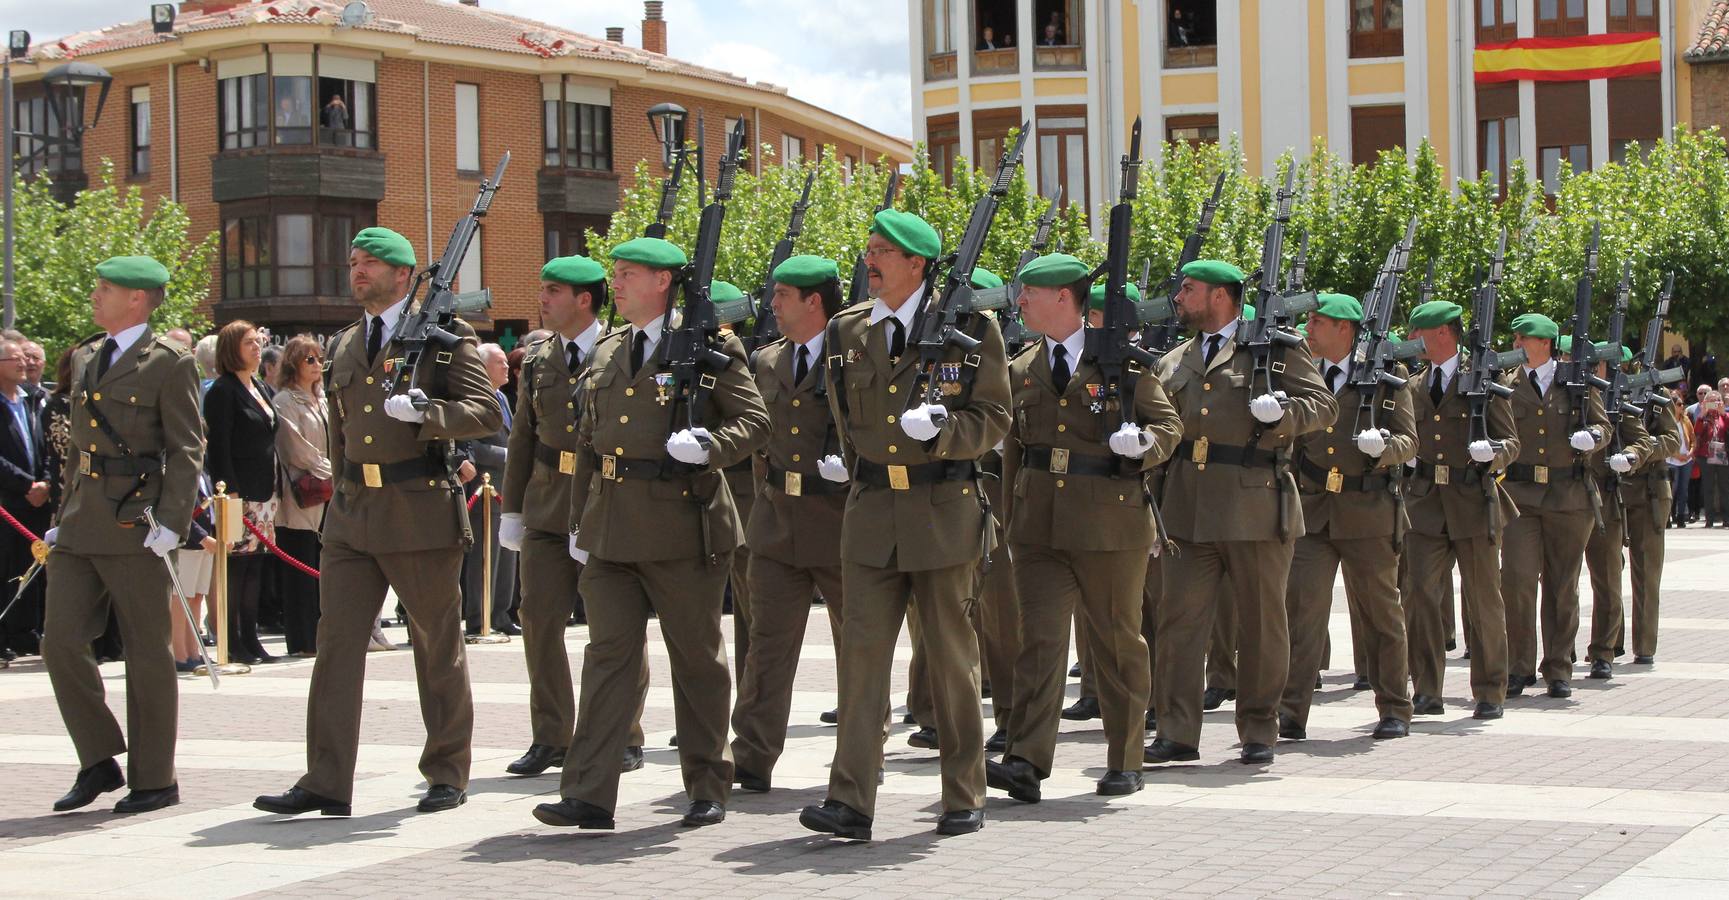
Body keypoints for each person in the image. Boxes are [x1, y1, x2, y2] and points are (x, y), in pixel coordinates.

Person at [253, 226, 502, 818]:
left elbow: (487, 411)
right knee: (335, 645)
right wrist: (339, 497)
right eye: (354, 261)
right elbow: (340, 438)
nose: (358, 270)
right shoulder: (343, 343)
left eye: (372, 262)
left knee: (435, 646)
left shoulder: (443, 339)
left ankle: (446, 770)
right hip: (352, 515)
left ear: (402, 273)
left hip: (417, 507)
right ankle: (326, 780)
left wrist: (428, 412)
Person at [530, 236, 768, 832]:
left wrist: (711, 447)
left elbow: (754, 421)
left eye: (628, 274)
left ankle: (708, 784)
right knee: (607, 657)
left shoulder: (710, 345)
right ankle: (588, 792)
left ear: (663, 282)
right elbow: (587, 440)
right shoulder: (609, 350)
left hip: (682, 523)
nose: (617, 283)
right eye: (616, 274)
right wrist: (580, 518)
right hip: (611, 526)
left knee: (696, 661)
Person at [797, 209, 1010, 841]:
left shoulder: (972, 327)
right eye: (868, 250)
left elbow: (994, 417)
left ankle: (964, 792)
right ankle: (850, 800)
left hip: (943, 511)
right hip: (869, 515)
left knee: (950, 661)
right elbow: (840, 413)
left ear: (916, 264)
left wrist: (947, 433)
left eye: (882, 252)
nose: (870, 261)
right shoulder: (847, 331)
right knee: (860, 664)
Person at [984, 253, 1180, 805]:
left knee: (1116, 641)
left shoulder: (1125, 366)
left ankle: (1125, 758)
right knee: (1039, 643)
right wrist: (1011, 525)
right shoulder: (1022, 369)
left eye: (1030, 293)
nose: (1020, 302)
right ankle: (1025, 758)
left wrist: (1144, 446)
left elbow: (1168, 426)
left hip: (1111, 523)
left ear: (1063, 298)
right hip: (1039, 526)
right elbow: (1014, 458)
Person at [1145, 261, 1335, 767]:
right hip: (1186, 506)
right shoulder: (1174, 359)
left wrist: (1284, 414)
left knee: (1261, 622)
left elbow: (1323, 406)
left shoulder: (1273, 349)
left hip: (1254, 501)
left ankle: (1258, 728)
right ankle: (1177, 731)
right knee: (1179, 623)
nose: (1179, 296)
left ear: (1222, 297)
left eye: (1190, 289)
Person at [41, 255, 204, 814]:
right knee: (59, 641)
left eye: (105, 289)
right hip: (84, 518)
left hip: (138, 521)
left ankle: (155, 778)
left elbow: (187, 450)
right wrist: (65, 511)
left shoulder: (169, 362)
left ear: (137, 298)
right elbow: (78, 450)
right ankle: (98, 758)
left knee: (147, 652)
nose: (96, 296)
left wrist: (174, 523)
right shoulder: (87, 354)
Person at [729, 255, 878, 792]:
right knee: (767, 643)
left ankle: (863, 750)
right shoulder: (766, 361)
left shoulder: (854, 359)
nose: (773, 305)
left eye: (783, 295)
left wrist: (853, 464)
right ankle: (751, 753)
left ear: (814, 301)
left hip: (838, 519)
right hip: (776, 520)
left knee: (857, 643)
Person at [497, 256, 648, 778]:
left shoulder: (621, 351)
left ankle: (624, 733)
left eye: (553, 290)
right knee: (538, 619)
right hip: (545, 504)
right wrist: (512, 509)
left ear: (584, 299)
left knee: (614, 624)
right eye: (542, 288)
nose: (542, 299)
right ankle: (552, 735)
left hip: (602, 502)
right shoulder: (539, 357)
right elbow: (522, 439)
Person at [1276, 294, 1416, 743]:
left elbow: (1408, 442)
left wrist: (1384, 449)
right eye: (1310, 320)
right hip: (1316, 511)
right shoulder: (1304, 374)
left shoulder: (1386, 377)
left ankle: (1395, 706)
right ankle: (1290, 712)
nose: (1309, 328)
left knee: (1381, 615)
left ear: (1346, 329)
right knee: (1301, 614)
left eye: (1319, 322)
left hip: (1367, 511)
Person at [1402, 299, 1518, 720]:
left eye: (1419, 332)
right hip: (1426, 503)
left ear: (1445, 334)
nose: (1412, 340)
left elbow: (1511, 441)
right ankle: (1427, 689)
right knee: (1418, 597)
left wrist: (1494, 453)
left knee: (1483, 600)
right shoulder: (1413, 386)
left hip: (1472, 501)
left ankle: (1489, 689)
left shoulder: (1485, 380)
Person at [1498, 314, 1615, 700]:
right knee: (1516, 579)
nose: (1516, 342)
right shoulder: (1506, 383)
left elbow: (1604, 427)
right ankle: (1519, 666)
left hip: (1568, 497)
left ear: (1544, 343)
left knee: (1563, 585)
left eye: (1523, 337)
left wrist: (1592, 436)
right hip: (1521, 495)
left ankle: (1558, 667)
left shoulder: (1576, 383)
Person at [1584, 347, 1672, 679]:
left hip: (1647, 491)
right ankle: (1610, 642)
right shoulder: (1588, 394)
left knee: (1646, 571)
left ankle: (1644, 646)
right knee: (1608, 570)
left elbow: (1670, 439)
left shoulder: (1651, 393)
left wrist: (1638, 456)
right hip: (1609, 490)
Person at [204, 320, 281, 665]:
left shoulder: (261, 388)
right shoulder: (223, 390)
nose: (256, 347)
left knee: (255, 568)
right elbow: (218, 447)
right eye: (248, 342)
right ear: (231, 348)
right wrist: (230, 493)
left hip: (266, 492)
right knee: (235, 568)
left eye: (257, 342)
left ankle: (251, 638)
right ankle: (232, 640)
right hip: (237, 493)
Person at [272, 334, 331, 658]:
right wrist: (329, 468)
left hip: (329, 492)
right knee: (300, 566)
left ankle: (322, 634)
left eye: (319, 358)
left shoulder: (323, 399)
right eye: (310, 359)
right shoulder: (284, 401)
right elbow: (294, 448)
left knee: (323, 566)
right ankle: (301, 639)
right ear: (293, 362)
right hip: (301, 494)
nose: (317, 365)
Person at [458, 343, 518, 636]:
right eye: (500, 363)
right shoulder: (474, 399)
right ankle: (479, 618)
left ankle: (501, 614)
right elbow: (470, 446)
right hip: (484, 486)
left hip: (507, 487)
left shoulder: (502, 398)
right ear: (483, 368)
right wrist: (507, 456)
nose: (506, 367)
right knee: (486, 553)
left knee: (506, 552)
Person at [0, 334, 49, 664]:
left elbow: (45, 445)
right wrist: (25, 485)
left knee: (32, 570)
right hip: (8, 503)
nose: (22, 363)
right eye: (13, 358)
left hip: (37, 502)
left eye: (24, 357)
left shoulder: (31, 400)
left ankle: (25, 633)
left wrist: (45, 482)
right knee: (5, 571)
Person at [1695, 391, 1729, 526]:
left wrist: (1723, 413)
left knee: (1724, 487)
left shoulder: (1724, 416)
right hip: (1706, 455)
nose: (1714, 404)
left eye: (1717, 401)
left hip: (1722, 455)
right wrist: (1702, 414)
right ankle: (1709, 520)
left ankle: (1726, 518)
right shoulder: (1702, 417)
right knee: (1708, 487)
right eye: (1711, 401)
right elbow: (1696, 432)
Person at [1668, 388, 1695, 528]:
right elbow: (1666, 441)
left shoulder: (1686, 420)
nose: (1681, 406)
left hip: (1686, 460)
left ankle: (1681, 518)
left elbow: (1693, 439)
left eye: (1681, 404)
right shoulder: (1667, 421)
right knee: (1672, 489)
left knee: (1683, 490)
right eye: (1678, 404)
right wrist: (1677, 455)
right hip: (1671, 460)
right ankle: (1667, 517)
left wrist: (1690, 453)